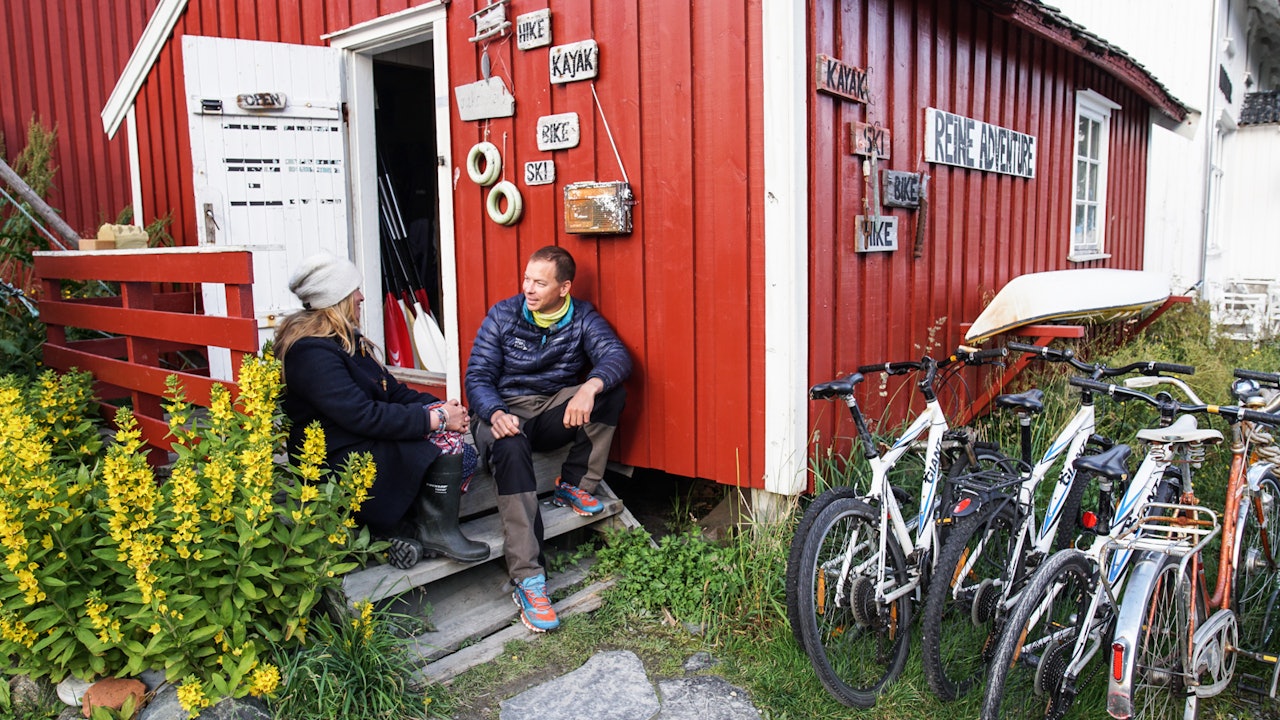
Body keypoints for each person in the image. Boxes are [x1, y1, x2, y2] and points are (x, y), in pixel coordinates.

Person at [275, 252, 487, 570]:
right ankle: (424, 530)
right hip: (337, 461)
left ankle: (402, 531)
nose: (361, 296)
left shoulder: (345, 340)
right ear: (336, 299)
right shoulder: (310, 353)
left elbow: (393, 392)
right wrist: (436, 419)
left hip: (363, 442)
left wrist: (440, 407)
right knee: (440, 448)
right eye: (354, 291)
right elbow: (363, 415)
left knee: (462, 454)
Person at [466, 245, 632, 632]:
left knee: (611, 391)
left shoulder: (582, 317)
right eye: (527, 279)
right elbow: (477, 377)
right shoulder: (503, 315)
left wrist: (590, 386)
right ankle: (528, 578)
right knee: (510, 445)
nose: (529, 288)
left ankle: (574, 485)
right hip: (504, 411)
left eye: (540, 282)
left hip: (549, 409)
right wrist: (494, 412)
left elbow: (616, 355)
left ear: (564, 287)